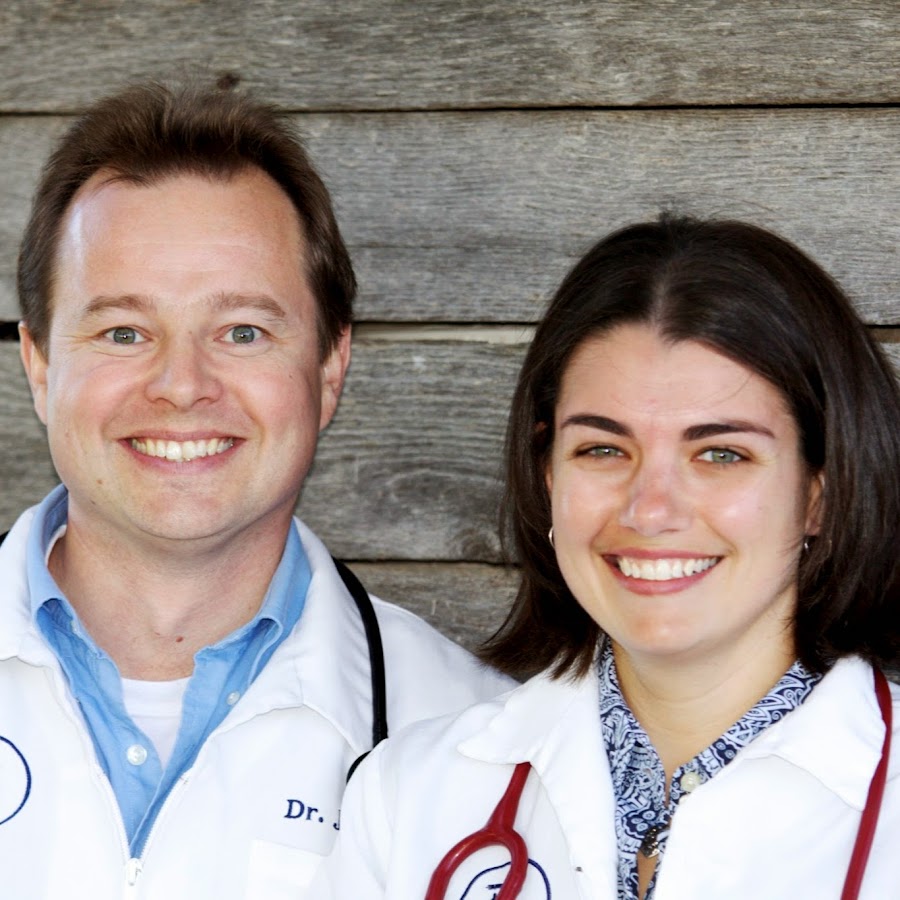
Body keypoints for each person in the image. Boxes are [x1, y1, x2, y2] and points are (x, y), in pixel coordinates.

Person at [0, 79, 513, 899]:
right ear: (39, 366)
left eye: (243, 331)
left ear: (330, 368)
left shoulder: (479, 744)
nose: (181, 384)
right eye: (124, 331)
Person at [315, 214, 900, 899]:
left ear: (819, 495)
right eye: (602, 449)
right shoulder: (409, 797)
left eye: (720, 454)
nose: (650, 510)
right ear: (549, 476)